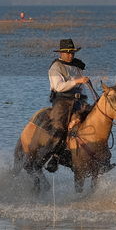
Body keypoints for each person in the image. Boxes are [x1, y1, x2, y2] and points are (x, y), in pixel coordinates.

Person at [41, 38, 90, 172]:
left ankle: (99, 154)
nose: (70, 55)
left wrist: (84, 96)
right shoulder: (55, 67)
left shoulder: (76, 65)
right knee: (60, 126)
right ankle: (54, 156)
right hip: (62, 101)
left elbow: (82, 86)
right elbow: (58, 87)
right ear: (61, 53)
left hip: (79, 101)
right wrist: (77, 81)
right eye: (67, 53)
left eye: (72, 53)